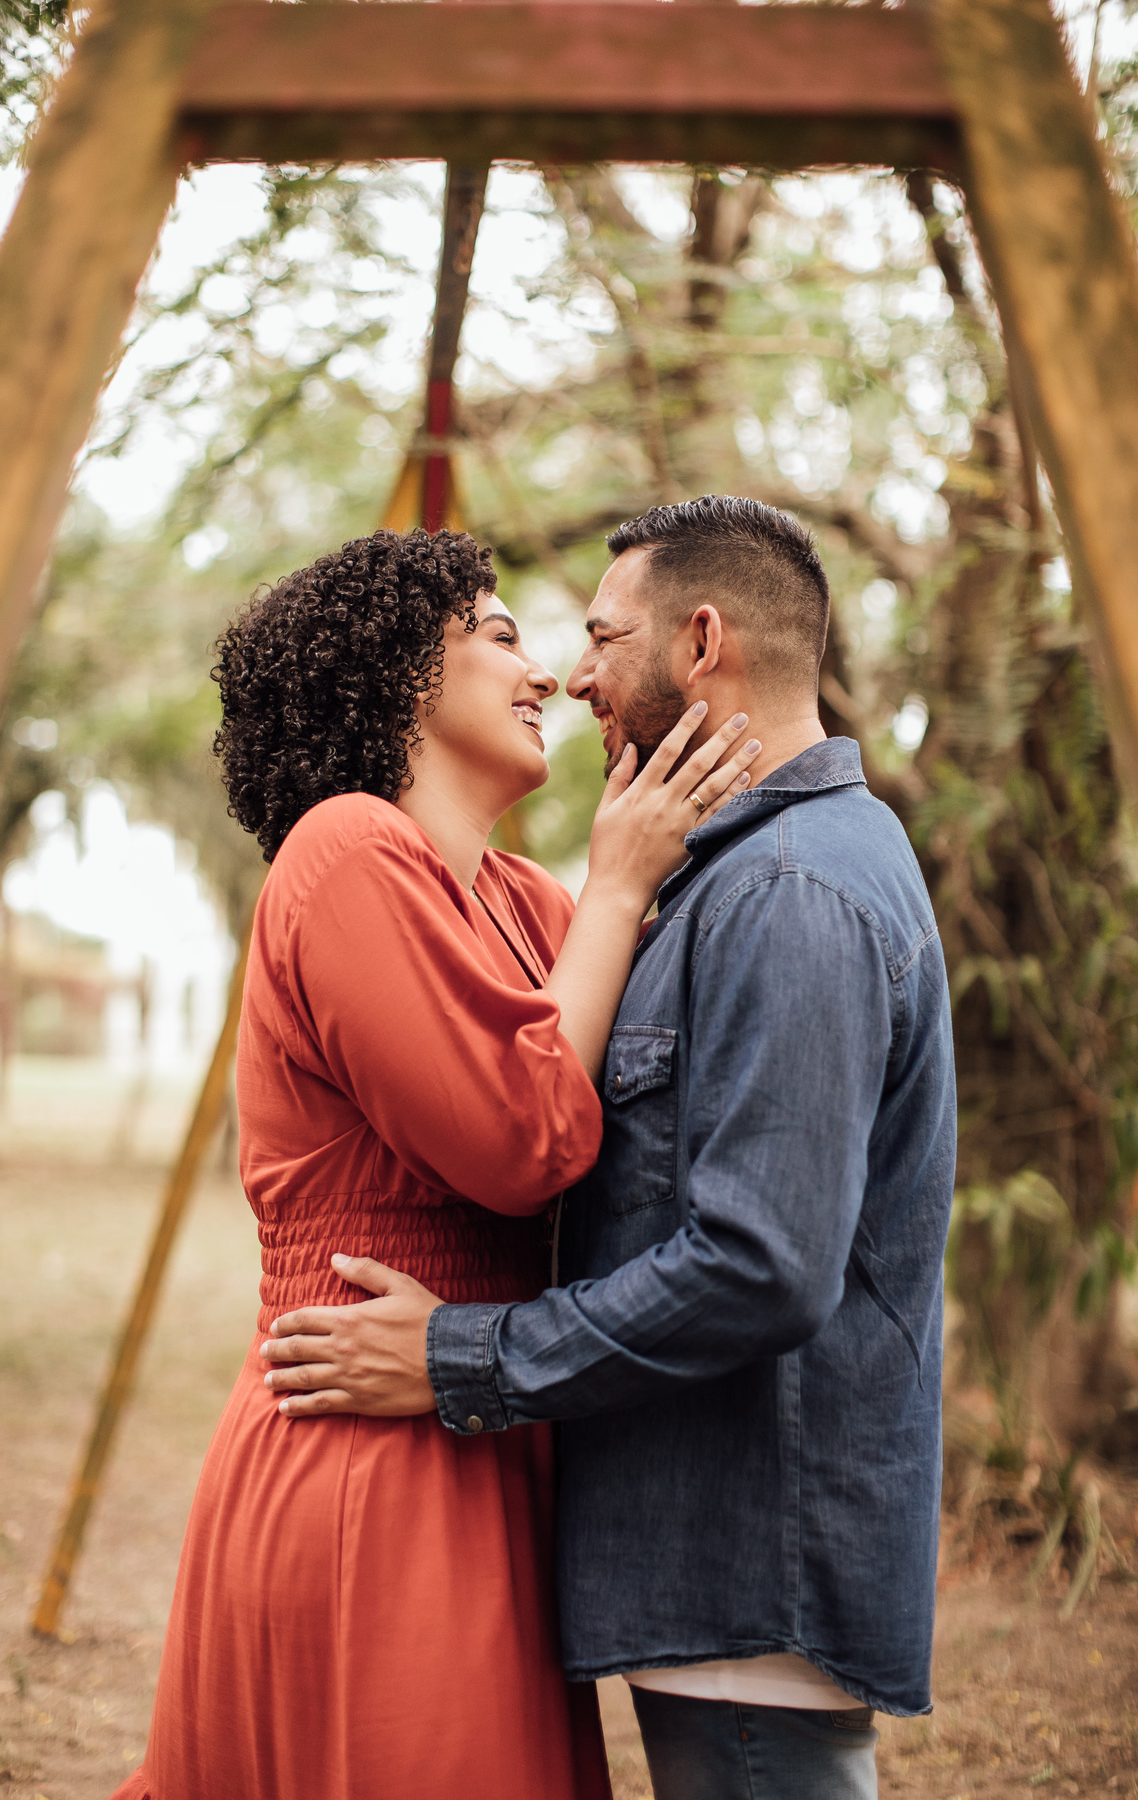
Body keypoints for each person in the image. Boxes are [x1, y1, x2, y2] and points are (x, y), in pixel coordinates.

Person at [262, 496, 958, 1800]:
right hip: (679, 1556)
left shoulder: (788, 889)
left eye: (595, 635)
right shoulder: (710, 879)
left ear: (702, 645)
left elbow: (762, 1261)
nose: (571, 674)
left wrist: (460, 1354)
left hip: (749, 1568)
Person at [112, 526, 759, 1800]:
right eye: (503, 636)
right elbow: (526, 1138)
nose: (546, 675)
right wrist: (623, 883)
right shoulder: (342, 851)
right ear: (407, 672)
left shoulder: (529, 903)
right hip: (369, 1444)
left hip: (479, 1410)